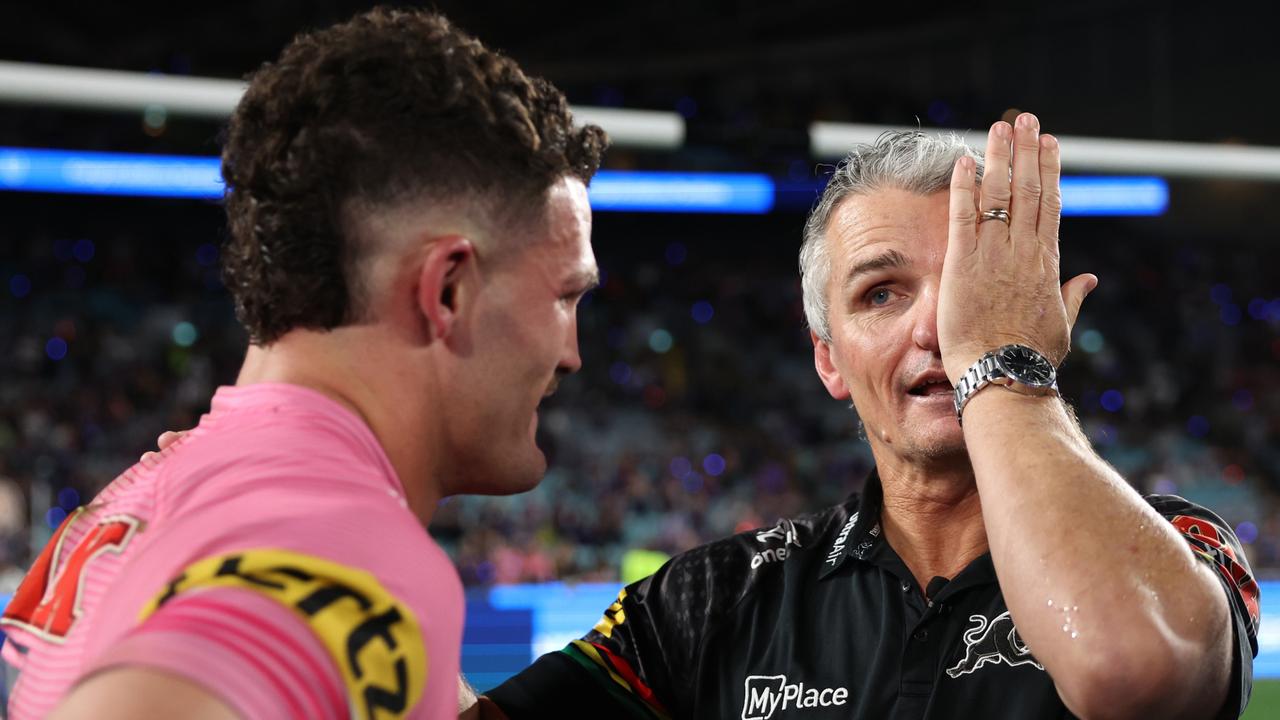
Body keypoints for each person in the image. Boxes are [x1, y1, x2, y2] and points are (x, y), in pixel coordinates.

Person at [475, 122, 1259, 719]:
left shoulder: (1180, 547)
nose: (942, 328)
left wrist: (1006, 363)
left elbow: (1129, 671)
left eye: (970, 287)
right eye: (881, 292)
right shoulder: (713, 601)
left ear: (1031, 314)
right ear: (828, 360)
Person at [0, 6, 605, 719]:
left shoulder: (150, 491)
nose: (572, 354)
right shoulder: (345, 550)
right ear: (447, 288)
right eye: (566, 297)